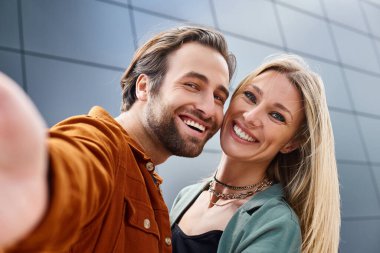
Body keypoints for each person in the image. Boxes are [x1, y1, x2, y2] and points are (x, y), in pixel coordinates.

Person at [0, 25, 236, 252]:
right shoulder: (100, 141)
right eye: (192, 85)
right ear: (143, 87)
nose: (207, 108)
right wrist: (36, 187)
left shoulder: (149, 183)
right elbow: (73, 166)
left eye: (218, 97)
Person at [170, 54, 341, 253]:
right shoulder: (187, 195)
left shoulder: (276, 223)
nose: (250, 117)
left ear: (291, 143)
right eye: (250, 96)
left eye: (276, 115)